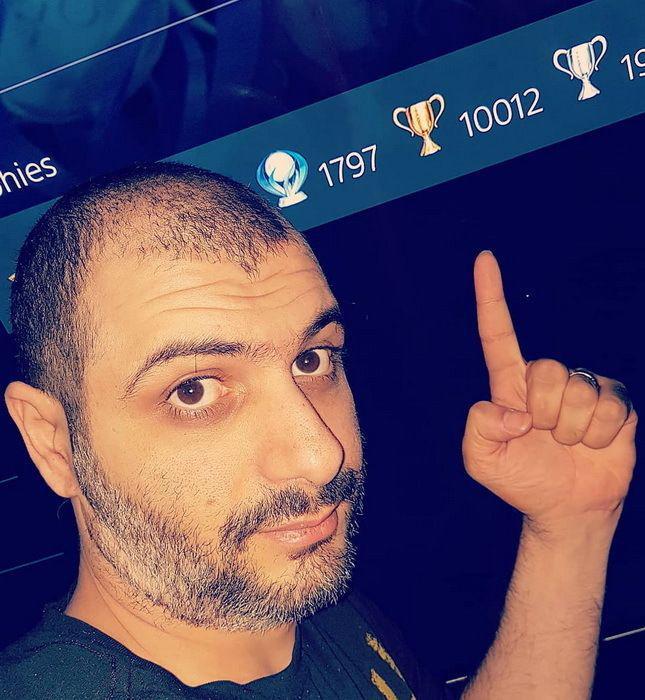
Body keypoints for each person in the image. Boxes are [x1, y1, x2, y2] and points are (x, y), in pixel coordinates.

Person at [0, 161, 636, 699]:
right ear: (53, 442)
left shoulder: (300, 605)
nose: (320, 455)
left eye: (312, 360)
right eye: (194, 390)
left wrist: (570, 529)